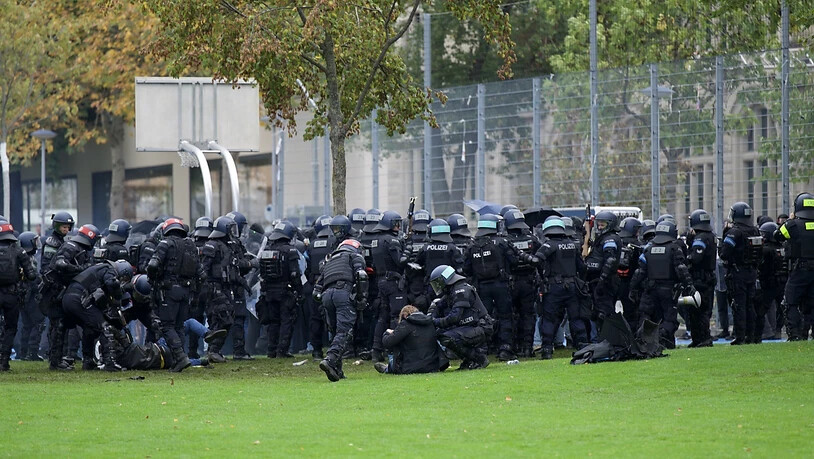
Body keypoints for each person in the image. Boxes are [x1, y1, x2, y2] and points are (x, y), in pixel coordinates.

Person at [147, 218, 204, 372]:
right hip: (186, 292)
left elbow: (152, 265)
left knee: (167, 326)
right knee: (179, 326)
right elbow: (201, 274)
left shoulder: (165, 244)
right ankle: (180, 358)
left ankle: (180, 357)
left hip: (169, 291)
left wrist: (152, 280)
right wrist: (196, 295)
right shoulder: (191, 246)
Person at [630, 221, 696, 349]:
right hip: (668, 290)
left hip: (650, 290)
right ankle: (662, 339)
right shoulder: (674, 248)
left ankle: (644, 343)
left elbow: (640, 272)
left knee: (647, 317)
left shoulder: (648, 248)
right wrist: (689, 285)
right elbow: (681, 269)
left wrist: (633, 288)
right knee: (669, 320)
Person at [44, 224, 99, 370]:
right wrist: (81, 270)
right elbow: (60, 264)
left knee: (86, 324)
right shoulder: (71, 246)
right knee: (59, 326)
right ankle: (55, 363)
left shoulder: (83, 250)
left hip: (70, 294)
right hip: (56, 292)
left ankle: (87, 360)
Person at [61, 260, 132, 371]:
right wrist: (118, 295)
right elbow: (112, 283)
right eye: (123, 278)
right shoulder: (110, 269)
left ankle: (87, 361)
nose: (122, 281)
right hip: (79, 298)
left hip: (68, 299)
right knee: (105, 327)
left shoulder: (99, 268)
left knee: (89, 328)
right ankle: (110, 363)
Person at [313, 239, 367, 382]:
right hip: (342, 292)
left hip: (326, 296)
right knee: (344, 332)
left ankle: (337, 370)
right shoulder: (354, 256)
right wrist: (361, 298)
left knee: (336, 332)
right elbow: (361, 276)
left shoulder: (329, 260)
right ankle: (330, 360)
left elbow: (316, 290)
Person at [463, 213, 516, 360]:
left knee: (483, 318)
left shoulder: (472, 245)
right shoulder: (501, 242)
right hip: (501, 285)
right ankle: (505, 349)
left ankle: (483, 348)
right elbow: (514, 260)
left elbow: (466, 268)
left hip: (481, 287)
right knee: (505, 316)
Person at [534, 218, 588, 359]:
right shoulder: (572, 245)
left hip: (554, 288)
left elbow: (536, 261)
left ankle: (547, 349)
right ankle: (582, 345)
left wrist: (543, 276)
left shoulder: (548, 245)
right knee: (575, 318)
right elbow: (582, 267)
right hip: (572, 286)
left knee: (549, 318)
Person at [428, 264, 493, 370]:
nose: (438, 286)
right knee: (439, 333)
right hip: (471, 327)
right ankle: (469, 360)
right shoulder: (452, 291)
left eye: (438, 282)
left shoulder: (461, 291)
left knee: (447, 337)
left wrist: (434, 321)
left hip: (481, 328)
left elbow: (454, 318)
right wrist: (430, 316)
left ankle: (478, 358)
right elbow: (438, 305)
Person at [257, 220, 303, 358]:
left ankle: (271, 350)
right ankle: (282, 351)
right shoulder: (291, 251)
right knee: (286, 321)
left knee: (273, 322)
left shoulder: (267, 250)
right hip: (285, 292)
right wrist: (299, 292)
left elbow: (262, 272)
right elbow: (295, 274)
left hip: (269, 293)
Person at [720, 202, 763, 345]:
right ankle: (751, 336)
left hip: (737, 273)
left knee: (739, 305)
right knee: (750, 305)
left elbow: (724, 253)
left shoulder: (734, 232)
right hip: (751, 272)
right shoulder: (755, 230)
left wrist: (725, 233)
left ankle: (740, 337)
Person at [773, 192, 814, 341]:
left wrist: (790, 220)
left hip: (800, 269)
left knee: (790, 302)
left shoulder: (792, 225)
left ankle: (795, 335)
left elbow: (777, 235)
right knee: (811, 303)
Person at [370, 210, 408, 362]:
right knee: (395, 315)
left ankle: (376, 350)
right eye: (396, 224)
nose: (398, 227)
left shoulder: (375, 240)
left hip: (381, 281)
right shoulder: (391, 241)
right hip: (393, 282)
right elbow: (400, 261)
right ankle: (394, 350)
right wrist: (407, 250)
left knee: (382, 317)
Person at [504, 209, 541, 358]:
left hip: (511, 283)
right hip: (529, 282)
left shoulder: (505, 240)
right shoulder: (532, 239)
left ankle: (512, 347)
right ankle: (527, 348)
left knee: (510, 316)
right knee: (528, 316)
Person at [0, 223, 38, 370]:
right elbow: (32, 275)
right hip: (11, 295)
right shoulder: (18, 251)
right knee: (10, 328)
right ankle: (4, 362)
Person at [201, 216, 238, 363]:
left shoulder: (227, 245)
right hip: (213, 288)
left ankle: (214, 351)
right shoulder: (212, 245)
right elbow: (204, 268)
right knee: (223, 317)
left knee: (225, 317)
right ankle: (213, 350)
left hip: (224, 287)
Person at [375, 305, 447, 375]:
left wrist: (387, 333)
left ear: (405, 316)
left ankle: (388, 368)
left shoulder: (406, 324)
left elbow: (388, 342)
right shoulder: (430, 323)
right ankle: (388, 367)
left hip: (410, 367)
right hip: (432, 366)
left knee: (395, 345)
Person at [584, 211, 622, 332]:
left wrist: (603, 279)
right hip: (596, 279)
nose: (600, 227)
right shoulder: (600, 239)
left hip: (606, 281)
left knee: (605, 312)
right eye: (598, 225)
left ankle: (608, 340)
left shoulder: (610, 239)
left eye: (603, 225)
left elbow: (610, 260)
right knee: (596, 311)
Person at [305, 216, 336, 359]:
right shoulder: (335, 242)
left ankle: (316, 350)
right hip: (331, 283)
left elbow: (306, 266)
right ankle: (334, 349)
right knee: (334, 316)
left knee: (315, 318)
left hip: (315, 284)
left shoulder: (311, 245)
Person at [686, 209, 717, 347]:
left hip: (700, 279)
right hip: (707, 278)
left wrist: (687, 259)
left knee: (699, 310)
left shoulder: (701, 238)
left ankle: (703, 338)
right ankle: (698, 339)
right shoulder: (710, 236)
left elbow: (695, 258)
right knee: (699, 310)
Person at [16, 231, 45, 361]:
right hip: (30, 296)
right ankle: (32, 351)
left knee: (27, 325)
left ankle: (23, 352)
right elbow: (32, 278)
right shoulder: (26, 258)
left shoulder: (19, 256)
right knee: (38, 322)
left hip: (22, 296)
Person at [757, 222, 786, 340]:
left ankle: (760, 333)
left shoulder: (765, 250)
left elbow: (761, 266)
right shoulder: (783, 247)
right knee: (783, 308)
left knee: (761, 309)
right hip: (782, 282)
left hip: (769, 283)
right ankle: (778, 330)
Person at [615, 217, 643, 329]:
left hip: (617, 282)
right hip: (632, 283)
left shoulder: (617, 241)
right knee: (632, 313)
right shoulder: (637, 244)